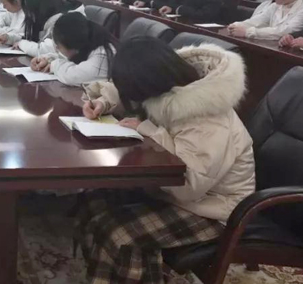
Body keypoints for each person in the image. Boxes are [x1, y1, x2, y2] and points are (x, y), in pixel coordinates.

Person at [76, 38, 254, 284]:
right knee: (94, 200)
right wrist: (103, 102)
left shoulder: (208, 117)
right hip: (182, 194)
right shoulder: (168, 81)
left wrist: (148, 130)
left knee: (122, 236)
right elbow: (127, 93)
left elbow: (188, 185)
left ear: (149, 86)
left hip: (214, 209)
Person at [29, 12, 115, 86]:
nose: (56, 49)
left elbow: (73, 76)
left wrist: (54, 65)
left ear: (74, 47)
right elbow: (70, 59)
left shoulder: (102, 56)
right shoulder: (86, 43)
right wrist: (48, 59)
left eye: (58, 46)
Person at [1, 0, 83, 51]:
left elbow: (46, 49)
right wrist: (10, 38)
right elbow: (35, 38)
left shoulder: (66, 22)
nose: (29, 15)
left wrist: (21, 44)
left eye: (30, 10)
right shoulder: (48, 19)